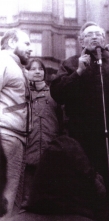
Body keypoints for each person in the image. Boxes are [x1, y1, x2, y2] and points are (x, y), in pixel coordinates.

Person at [50, 22, 109, 221]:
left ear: (104, 39)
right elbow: (58, 93)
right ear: (81, 41)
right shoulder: (70, 63)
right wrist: (78, 73)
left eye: (98, 34)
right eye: (89, 35)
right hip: (83, 137)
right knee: (89, 184)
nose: (94, 38)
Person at [19, 58, 64, 210]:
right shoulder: (21, 94)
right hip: (27, 146)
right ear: (26, 71)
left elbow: (62, 119)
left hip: (50, 146)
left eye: (40, 69)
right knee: (26, 192)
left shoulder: (54, 93)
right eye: (33, 69)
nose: (37, 72)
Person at [0, 29, 32, 220]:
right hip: (6, 136)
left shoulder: (13, 65)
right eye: (27, 43)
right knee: (5, 197)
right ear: (11, 42)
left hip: (14, 136)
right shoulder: (4, 62)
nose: (31, 49)